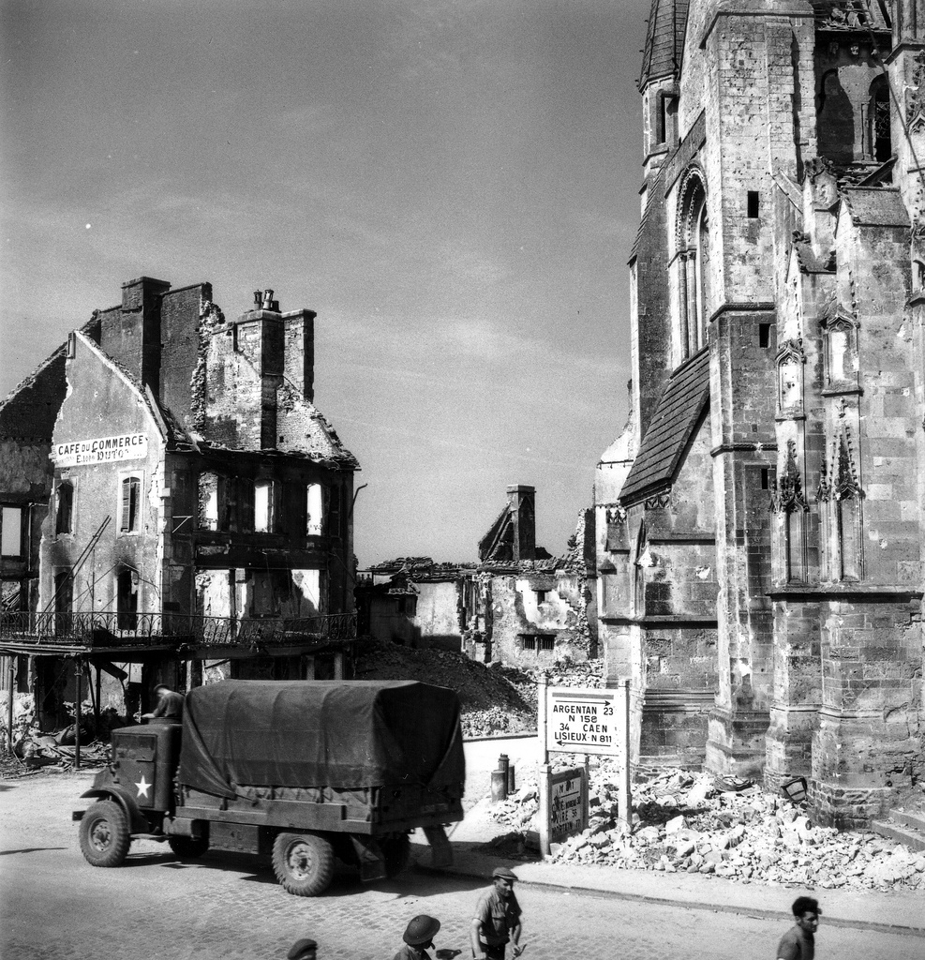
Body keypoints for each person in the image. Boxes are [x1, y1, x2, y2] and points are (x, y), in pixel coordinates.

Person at [470, 866, 523, 960]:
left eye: (511, 885)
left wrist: (514, 943)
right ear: (495, 884)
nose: (510, 888)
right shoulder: (487, 899)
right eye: (505, 885)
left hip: (500, 945)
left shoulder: (510, 896)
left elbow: (517, 924)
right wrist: (478, 952)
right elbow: (474, 927)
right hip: (484, 947)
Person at [777, 896, 821, 960]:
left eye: (816, 918)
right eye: (811, 920)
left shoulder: (808, 933)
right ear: (798, 919)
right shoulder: (792, 942)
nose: (816, 923)